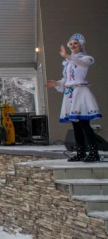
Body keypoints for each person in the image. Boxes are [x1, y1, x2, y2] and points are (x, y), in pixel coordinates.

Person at [45, 33, 103, 162]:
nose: (73, 45)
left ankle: (94, 152)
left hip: (80, 92)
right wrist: (57, 83)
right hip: (70, 93)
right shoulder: (67, 63)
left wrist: (67, 56)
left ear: (81, 45)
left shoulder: (86, 59)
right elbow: (67, 79)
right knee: (75, 125)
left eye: (75, 43)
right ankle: (80, 152)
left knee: (84, 124)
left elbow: (79, 62)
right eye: (71, 44)